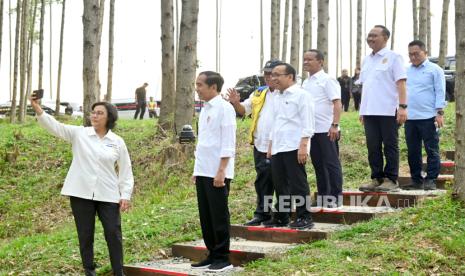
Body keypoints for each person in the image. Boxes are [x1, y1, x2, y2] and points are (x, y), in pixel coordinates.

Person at [29, 94, 134, 276]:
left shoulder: (117, 142)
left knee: (113, 233)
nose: (94, 116)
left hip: (108, 194)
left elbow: (126, 170)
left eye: (99, 113)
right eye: (93, 112)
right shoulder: (80, 133)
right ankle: (89, 271)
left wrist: (125, 194)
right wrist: (36, 107)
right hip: (80, 193)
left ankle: (119, 272)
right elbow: (56, 127)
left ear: (109, 117)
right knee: (85, 235)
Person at [191, 71, 236, 272]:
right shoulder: (205, 109)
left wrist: (221, 171)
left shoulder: (225, 108)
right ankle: (211, 253)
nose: (197, 88)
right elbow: (203, 143)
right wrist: (196, 170)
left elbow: (228, 142)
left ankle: (222, 257)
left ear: (213, 87)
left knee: (218, 215)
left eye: (200, 85)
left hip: (218, 172)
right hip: (203, 170)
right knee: (206, 215)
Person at [227, 59, 280, 226]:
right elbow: (244, 110)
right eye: (265, 74)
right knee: (262, 180)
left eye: (271, 74)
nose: (267, 77)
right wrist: (236, 102)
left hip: (280, 145)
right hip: (260, 143)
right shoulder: (259, 93)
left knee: (281, 180)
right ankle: (262, 213)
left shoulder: (287, 93)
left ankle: (282, 214)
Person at [264, 63, 315, 230]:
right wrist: (271, 146)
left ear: (290, 77)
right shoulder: (277, 97)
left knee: (298, 183)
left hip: (294, 145)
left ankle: (304, 216)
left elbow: (308, 122)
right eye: (272, 75)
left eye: (278, 75)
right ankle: (281, 217)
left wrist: (303, 145)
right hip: (278, 146)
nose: (273, 78)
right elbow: (275, 123)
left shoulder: (301, 95)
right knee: (280, 184)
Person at [358, 25, 407, 193]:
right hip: (370, 111)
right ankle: (376, 177)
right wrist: (362, 111)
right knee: (373, 146)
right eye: (369, 35)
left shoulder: (394, 57)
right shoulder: (366, 60)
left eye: (374, 35)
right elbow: (366, 86)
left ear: (385, 38)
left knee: (390, 145)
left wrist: (402, 107)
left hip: (388, 110)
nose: (370, 38)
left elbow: (401, 83)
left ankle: (391, 179)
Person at [402, 40, 446, 191]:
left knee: (431, 149)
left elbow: (440, 92)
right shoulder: (406, 71)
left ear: (425, 53)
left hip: (429, 117)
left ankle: (431, 179)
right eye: (410, 54)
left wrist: (439, 113)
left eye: (416, 54)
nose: (413, 57)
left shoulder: (435, 70)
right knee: (413, 150)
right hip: (410, 118)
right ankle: (416, 180)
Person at [302, 49, 343, 208]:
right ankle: (323, 196)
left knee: (331, 163)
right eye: (304, 59)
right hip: (312, 130)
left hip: (327, 129)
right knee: (318, 164)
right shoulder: (306, 82)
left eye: (310, 59)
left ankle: (335, 197)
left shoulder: (328, 80)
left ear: (320, 61)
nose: (306, 62)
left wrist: (335, 125)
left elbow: (337, 103)